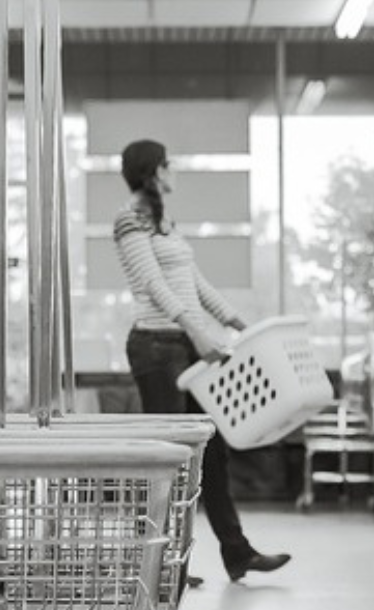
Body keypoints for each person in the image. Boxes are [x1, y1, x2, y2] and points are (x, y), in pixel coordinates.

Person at [115, 138, 290, 586]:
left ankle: (237, 553)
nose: (174, 170)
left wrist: (242, 324)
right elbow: (153, 285)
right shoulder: (129, 220)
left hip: (186, 346)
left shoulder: (165, 224)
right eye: (168, 164)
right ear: (155, 171)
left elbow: (196, 284)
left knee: (212, 453)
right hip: (156, 347)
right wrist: (196, 331)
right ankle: (159, 566)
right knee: (169, 460)